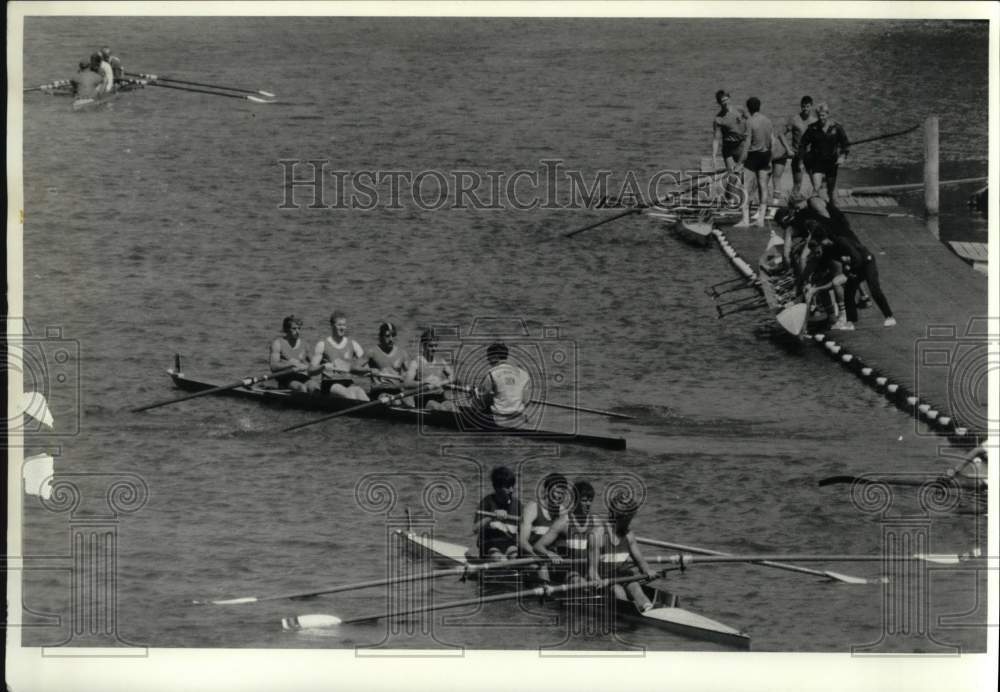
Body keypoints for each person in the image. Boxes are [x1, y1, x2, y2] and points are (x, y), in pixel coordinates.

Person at [804, 225, 896, 329]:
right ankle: (850, 322)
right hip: (855, 266)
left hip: (866, 262)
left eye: (818, 248)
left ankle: (889, 317)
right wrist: (809, 283)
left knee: (874, 289)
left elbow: (857, 258)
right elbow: (819, 267)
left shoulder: (841, 242)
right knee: (849, 292)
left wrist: (849, 271)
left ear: (824, 240)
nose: (818, 252)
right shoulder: (827, 251)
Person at [590, 494, 657, 613]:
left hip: (625, 576)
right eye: (628, 519)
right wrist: (597, 580)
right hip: (607, 580)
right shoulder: (598, 535)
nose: (630, 522)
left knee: (636, 587)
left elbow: (641, 562)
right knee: (618, 591)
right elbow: (592, 570)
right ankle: (631, 612)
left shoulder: (629, 535)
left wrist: (648, 571)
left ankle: (649, 609)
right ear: (617, 516)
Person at [533, 480, 597, 585]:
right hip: (567, 570)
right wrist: (549, 554)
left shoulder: (596, 522)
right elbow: (538, 546)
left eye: (590, 500)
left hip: (588, 569)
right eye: (584, 501)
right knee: (580, 583)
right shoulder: (563, 522)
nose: (588, 504)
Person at [517, 472, 570, 585]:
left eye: (563, 493)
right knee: (542, 566)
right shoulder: (532, 508)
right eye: (557, 492)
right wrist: (542, 556)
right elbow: (522, 542)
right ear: (546, 491)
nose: (560, 496)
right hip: (530, 555)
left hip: (550, 555)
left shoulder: (562, 511)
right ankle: (547, 595)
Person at [310, 311, 369, 401]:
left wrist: (364, 370)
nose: (342, 328)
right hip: (330, 384)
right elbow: (310, 371)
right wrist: (323, 366)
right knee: (350, 395)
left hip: (348, 382)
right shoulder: (322, 344)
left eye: (344, 325)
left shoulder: (353, 344)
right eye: (339, 325)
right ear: (332, 325)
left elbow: (366, 367)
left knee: (360, 392)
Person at [800, 103, 850, 203]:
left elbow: (845, 144)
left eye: (823, 115)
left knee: (831, 191)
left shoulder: (836, 127)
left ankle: (832, 209)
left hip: (831, 162)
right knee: (816, 188)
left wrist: (842, 156)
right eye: (819, 115)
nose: (821, 118)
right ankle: (816, 211)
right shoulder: (812, 128)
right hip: (816, 162)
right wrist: (802, 160)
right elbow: (802, 145)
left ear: (827, 114)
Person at [476, 342, 531, 428]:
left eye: (488, 356)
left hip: (499, 420)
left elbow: (484, 400)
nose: (487, 359)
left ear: (495, 357)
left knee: (476, 405)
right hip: (518, 417)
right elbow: (526, 401)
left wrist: (477, 394)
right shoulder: (524, 374)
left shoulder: (492, 373)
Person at [736, 97, 773, 227]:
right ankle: (761, 220)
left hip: (753, 156)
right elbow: (770, 141)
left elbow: (747, 145)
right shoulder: (768, 121)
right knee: (763, 187)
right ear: (759, 107)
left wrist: (739, 163)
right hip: (765, 155)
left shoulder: (749, 122)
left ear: (749, 108)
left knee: (745, 188)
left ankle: (745, 221)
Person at [473, 466, 523, 561]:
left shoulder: (517, 504)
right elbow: (475, 529)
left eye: (513, 486)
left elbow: (523, 531)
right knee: (500, 559)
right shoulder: (486, 502)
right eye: (508, 487)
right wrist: (491, 517)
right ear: (496, 487)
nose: (512, 490)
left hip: (509, 544)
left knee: (515, 557)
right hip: (489, 545)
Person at [772, 96, 817, 200]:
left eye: (807, 106)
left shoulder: (815, 121)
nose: (805, 109)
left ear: (811, 107)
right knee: (797, 185)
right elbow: (781, 134)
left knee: (816, 184)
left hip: (811, 156)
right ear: (801, 106)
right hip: (797, 156)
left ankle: (815, 207)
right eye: (803, 106)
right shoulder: (795, 119)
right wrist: (788, 149)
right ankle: (791, 210)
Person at [403, 328, 454, 410]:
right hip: (424, 399)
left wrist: (443, 382)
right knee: (437, 407)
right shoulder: (415, 362)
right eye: (431, 346)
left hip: (440, 396)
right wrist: (424, 382)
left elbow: (452, 376)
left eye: (435, 345)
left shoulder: (441, 361)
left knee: (451, 406)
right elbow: (407, 383)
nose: (434, 348)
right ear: (423, 345)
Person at [365, 322, 412, 399]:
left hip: (396, 391)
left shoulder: (403, 353)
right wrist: (369, 370)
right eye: (387, 336)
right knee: (386, 398)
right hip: (379, 392)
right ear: (380, 337)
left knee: (409, 400)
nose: (391, 339)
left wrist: (407, 377)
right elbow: (355, 368)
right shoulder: (372, 352)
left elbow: (410, 376)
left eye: (393, 336)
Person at [269, 315, 314, 392]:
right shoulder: (277, 343)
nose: (297, 331)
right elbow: (273, 366)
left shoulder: (305, 344)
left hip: (302, 377)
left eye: (299, 328)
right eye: (294, 328)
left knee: (315, 388)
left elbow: (314, 364)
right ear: (286, 329)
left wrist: (313, 366)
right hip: (286, 378)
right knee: (302, 388)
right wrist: (292, 364)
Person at [711, 90, 748, 174]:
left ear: (729, 99)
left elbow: (751, 121)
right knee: (731, 175)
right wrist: (714, 156)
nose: (725, 103)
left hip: (741, 145)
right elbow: (716, 139)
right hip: (728, 148)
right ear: (719, 103)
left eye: (726, 99)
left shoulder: (740, 110)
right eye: (722, 101)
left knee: (743, 174)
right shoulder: (718, 119)